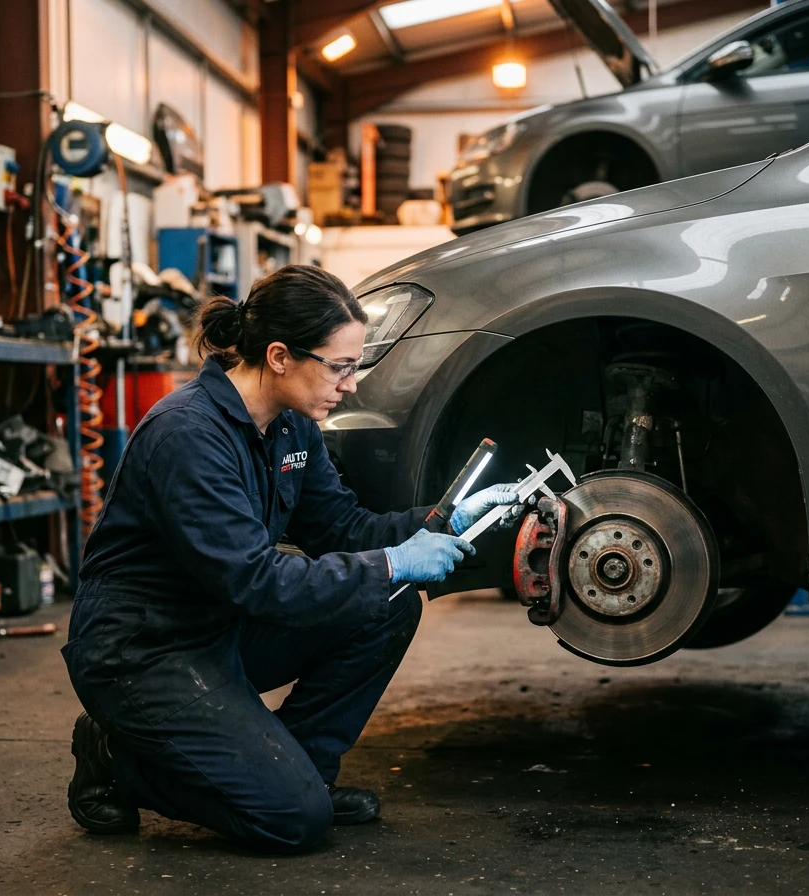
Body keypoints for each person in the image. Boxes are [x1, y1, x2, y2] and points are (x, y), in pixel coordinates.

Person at [62, 265, 521, 854]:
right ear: (279, 356)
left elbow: (343, 529)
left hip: (221, 626)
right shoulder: (187, 435)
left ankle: (303, 770)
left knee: (388, 604)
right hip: (145, 651)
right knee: (291, 819)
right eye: (339, 366)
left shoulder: (290, 427)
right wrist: (391, 562)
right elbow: (257, 580)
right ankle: (116, 757)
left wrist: (445, 519)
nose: (349, 385)